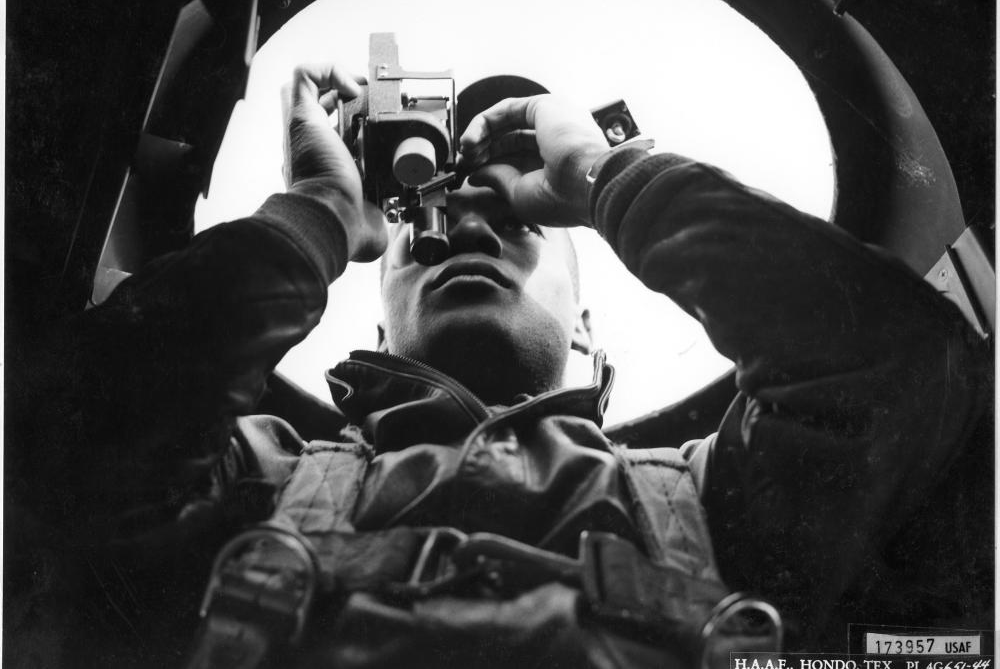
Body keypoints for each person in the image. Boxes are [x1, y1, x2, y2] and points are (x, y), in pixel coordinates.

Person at [6, 63, 991, 669]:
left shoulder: (714, 502)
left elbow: (889, 361)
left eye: (512, 218)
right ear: (378, 333)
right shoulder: (254, 479)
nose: (466, 223)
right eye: (426, 224)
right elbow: (64, 434)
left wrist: (604, 176)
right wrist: (315, 206)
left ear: (590, 329)